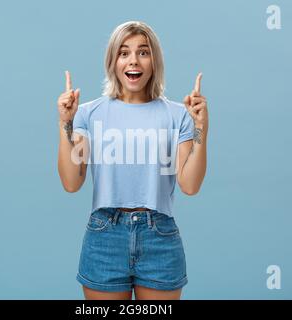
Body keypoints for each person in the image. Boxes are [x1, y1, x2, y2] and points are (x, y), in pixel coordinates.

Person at [57, 21, 208, 300]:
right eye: (123, 52)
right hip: (105, 235)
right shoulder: (89, 113)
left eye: (143, 52)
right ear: (113, 61)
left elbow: (189, 185)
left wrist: (201, 129)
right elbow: (71, 181)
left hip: (159, 236)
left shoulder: (178, 115)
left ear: (154, 61)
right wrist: (65, 124)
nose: (133, 60)